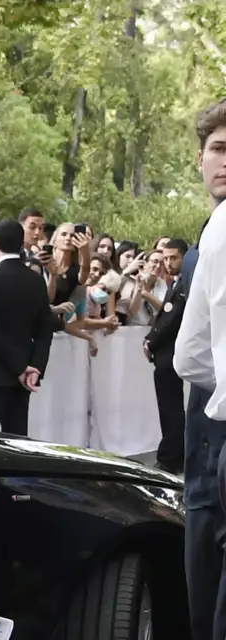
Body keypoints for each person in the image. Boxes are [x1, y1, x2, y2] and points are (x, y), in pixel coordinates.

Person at [173, 99, 226, 640]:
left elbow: (189, 355)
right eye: (218, 149)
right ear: (200, 159)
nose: (225, 162)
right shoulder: (204, 238)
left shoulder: (218, 230)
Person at [0, 218, 53, 436]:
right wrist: (35, 367)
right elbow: (45, 329)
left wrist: (21, 368)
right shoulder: (36, 280)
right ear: (21, 243)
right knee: (16, 442)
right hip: (22, 381)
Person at [143, 239, 188, 474]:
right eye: (166, 258)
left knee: (171, 410)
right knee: (170, 409)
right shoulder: (176, 283)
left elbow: (171, 319)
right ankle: (175, 455)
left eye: (174, 258)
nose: (168, 263)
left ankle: (170, 458)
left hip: (170, 355)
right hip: (166, 354)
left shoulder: (183, 285)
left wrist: (151, 340)